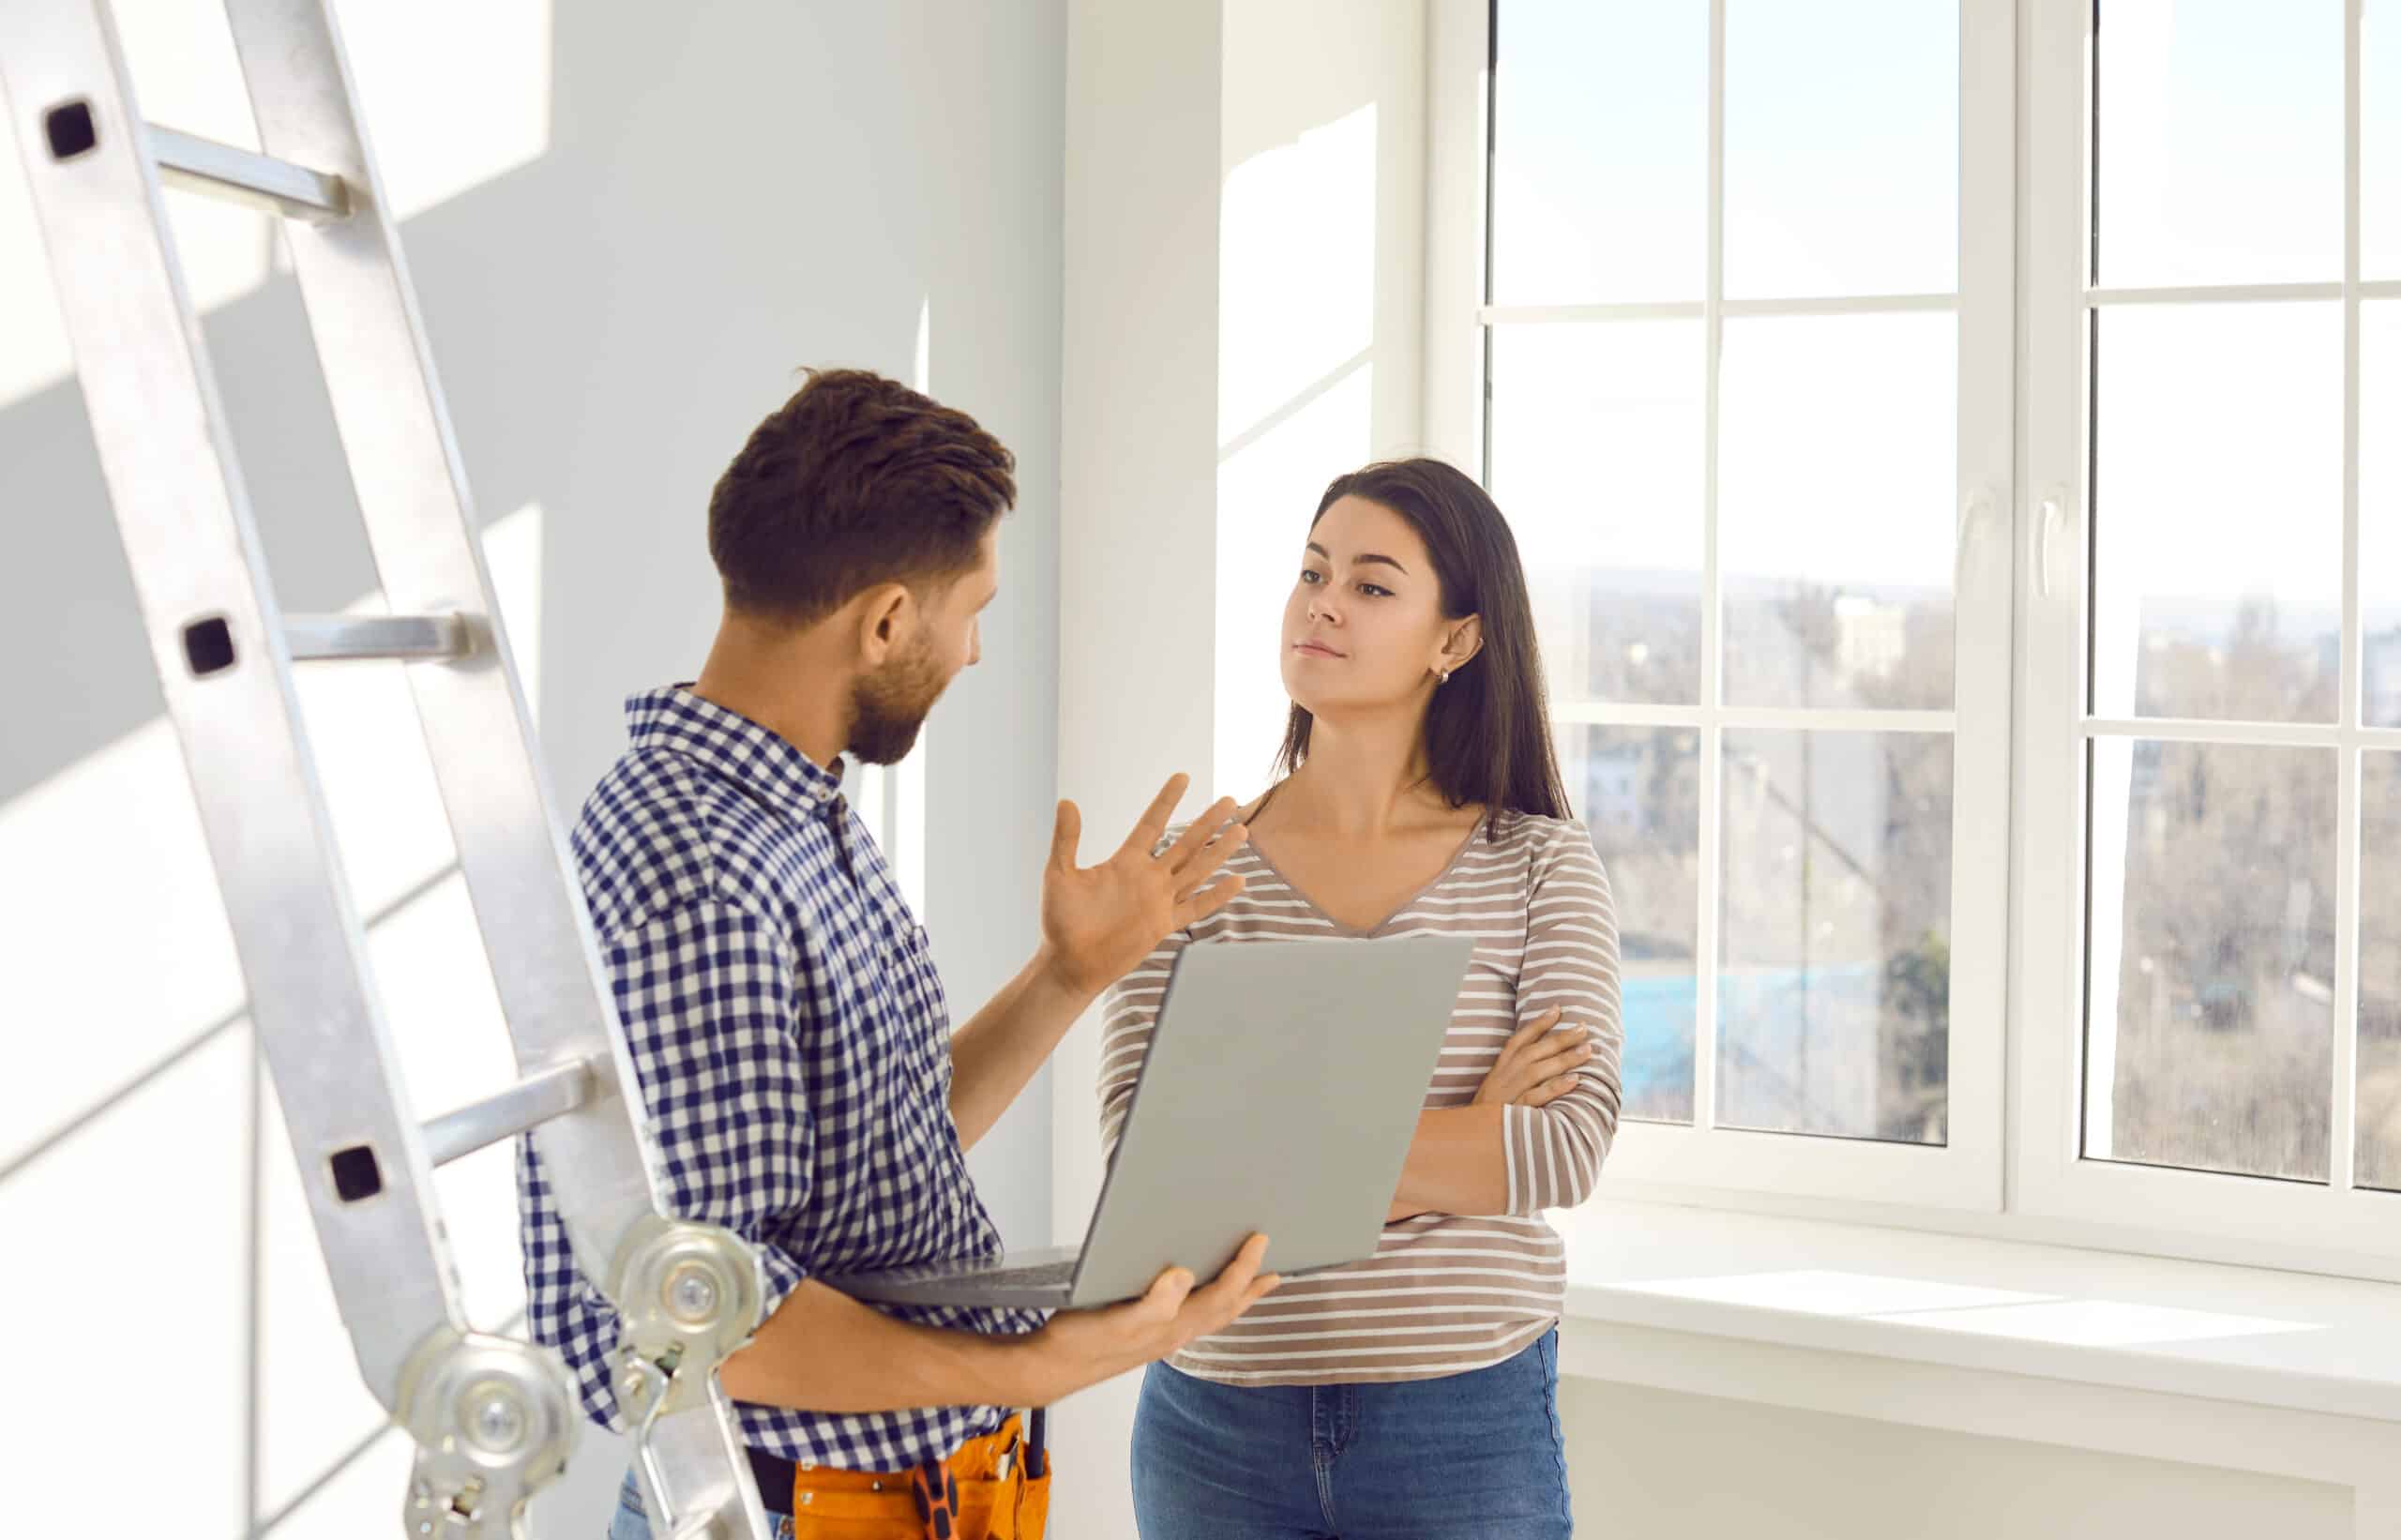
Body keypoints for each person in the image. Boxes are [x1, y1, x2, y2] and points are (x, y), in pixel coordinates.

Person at [514, 368, 1281, 1540]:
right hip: (800, 1514)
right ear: (883, 621)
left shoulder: (792, 813)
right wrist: (1031, 1368)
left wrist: (1068, 975)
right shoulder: (705, 870)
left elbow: (864, 1172)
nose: (974, 652)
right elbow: (707, 1322)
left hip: (909, 1502)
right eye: (970, 609)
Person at [1099, 458, 1623, 1539]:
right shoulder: (1183, 867)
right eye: (1310, 570)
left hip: (1463, 1415)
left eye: (1373, 584)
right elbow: (1149, 1179)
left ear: (1456, 640)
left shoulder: (1537, 863)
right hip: (1215, 1425)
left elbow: (1566, 1146)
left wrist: (1267, 1161)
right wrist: (1473, 1127)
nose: (1323, 602)